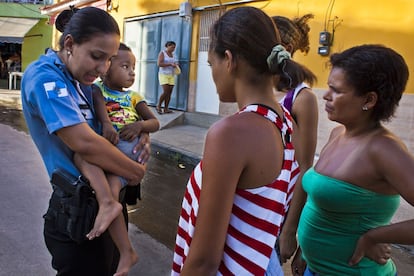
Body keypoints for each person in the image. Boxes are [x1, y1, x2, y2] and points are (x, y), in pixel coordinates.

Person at [171, 6, 315, 275]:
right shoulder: (284, 121)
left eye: (211, 64)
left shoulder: (230, 133)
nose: (213, 74)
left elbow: (203, 262)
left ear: (229, 60)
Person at [21, 7, 150, 276]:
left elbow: (110, 123)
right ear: (69, 44)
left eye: (110, 59)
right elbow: (84, 143)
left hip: (108, 201)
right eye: (96, 56)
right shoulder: (46, 78)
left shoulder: (81, 80)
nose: (103, 68)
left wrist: (140, 134)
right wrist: (134, 170)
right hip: (79, 210)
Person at [294, 44, 414, 275]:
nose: (326, 96)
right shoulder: (338, 134)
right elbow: (320, 206)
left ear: (369, 99)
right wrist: (304, 251)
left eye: (336, 90)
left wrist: (375, 236)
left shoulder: (384, 150)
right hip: (315, 268)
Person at [72, 42, 160, 274]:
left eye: (133, 67)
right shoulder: (97, 89)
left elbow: (155, 122)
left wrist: (141, 126)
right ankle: (126, 251)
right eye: (125, 66)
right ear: (108, 68)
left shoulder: (134, 97)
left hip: (128, 148)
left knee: (82, 155)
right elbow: (101, 111)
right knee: (111, 196)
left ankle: (108, 209)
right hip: (118, 152)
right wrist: (107, 123)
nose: (132, 72)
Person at [270, 14, 319, 273]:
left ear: (284, 49)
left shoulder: (301, 98)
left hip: (279, 211)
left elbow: (304, 168)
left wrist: (289, 231)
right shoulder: (257, 88)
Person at [156, 40, 178, 114]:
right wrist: (170, 64)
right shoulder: (163, 53)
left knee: (169, 93)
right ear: (167, 46)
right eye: (172, 47)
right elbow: (159, 64)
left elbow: (174, 62)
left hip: (171, 75)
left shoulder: (173, 55)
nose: (173, 49)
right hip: (163, 75)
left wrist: (175, 65)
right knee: (166, 91)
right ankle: (158, 106)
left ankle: (166, 108)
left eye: (174, 47)